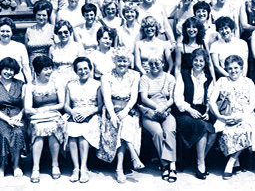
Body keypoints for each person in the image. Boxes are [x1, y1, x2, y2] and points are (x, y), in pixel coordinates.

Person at [209, 55, 255, 180]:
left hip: (245, 116)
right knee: (225, 132)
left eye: (236, 68)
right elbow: (212, 100)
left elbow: (252, 104)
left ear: (241, 68)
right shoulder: (221, 81)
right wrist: (219, 116)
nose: (233, 71)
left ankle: (231, 162)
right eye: (230, 68)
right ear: (226, 69)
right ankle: (236, 160)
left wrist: (241, 117)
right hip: (225, 116)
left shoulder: (248, 82)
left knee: (246, 131)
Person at [98, 48, 144, 184]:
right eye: (119, 60)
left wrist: (125, 111)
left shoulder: (135, 75)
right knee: (121, 124)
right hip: (111, 110)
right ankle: (133, 157)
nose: (122, 63)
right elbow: (107, 98)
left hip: (129, 110)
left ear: (129, 61)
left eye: (125, 61)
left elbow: (134, 97)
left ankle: (119, 168)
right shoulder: (106, 76)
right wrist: (112, 115)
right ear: (114, 61)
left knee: (126, 123)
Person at [174, 48, 217, 180]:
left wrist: (208, 112)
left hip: (202, 111)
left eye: (201, 61)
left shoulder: (208, 79)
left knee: (214, 132)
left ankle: (197, 159)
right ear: (192, 61)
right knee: (203, 128)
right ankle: (200, 164)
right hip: (185, 112)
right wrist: (189, 110)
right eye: (196, 60)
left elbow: (210, 99)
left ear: (205, 63)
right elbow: (178, 98)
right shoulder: (184, 75)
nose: (198, 63)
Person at [24, 56, 67, 183]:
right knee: (39, 129)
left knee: (53, 128)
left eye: (50, 68)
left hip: (54, 115)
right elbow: (27, 108)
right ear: (37, 71)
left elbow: (62, 104)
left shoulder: (56, 83)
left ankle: (55, 164)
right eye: (45, 69)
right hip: (38, 116)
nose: (49, 71)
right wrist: (39, 111)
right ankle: (35, 167)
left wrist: (48, 109)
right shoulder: (30, 86)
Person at [0, 57, 26, 179]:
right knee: (2, 133)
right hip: (0, 116)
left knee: (18, 132)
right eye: (6, 69)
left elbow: (25, 105)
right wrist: (8, 120)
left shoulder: (21, 85)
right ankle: (1, 165)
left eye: (12, 70)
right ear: (0, 69)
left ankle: (16, 165)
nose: (9, 72)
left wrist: (19, 116)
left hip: (17, 115)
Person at [139, 55, 177, 182]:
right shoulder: (145, 78)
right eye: (151, 64)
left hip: (166, 111)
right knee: (158, 133)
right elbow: (144, 98)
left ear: (163, 64)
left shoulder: (170, 78)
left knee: (170, 131)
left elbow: (172, 98)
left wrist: (164, 107)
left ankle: (171, 165)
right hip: (150, 112)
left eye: (157, 63)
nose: (154, 66)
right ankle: (167, 165)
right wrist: (158, 107)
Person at [64, 57, 102, 183]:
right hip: (75, 113)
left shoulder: (97, 84)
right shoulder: (70, 85)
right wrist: (72, 112)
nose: (83, 71)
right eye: (79, 69)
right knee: (72, 133)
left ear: (90, 69)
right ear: (75, 71)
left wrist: (87, 113)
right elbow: (66, 105)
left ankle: (84, 168)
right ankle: (76, 168)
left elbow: (100, 105)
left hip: (91, 114)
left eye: (86, 68)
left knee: (83, 134)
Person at [0, 17, 31, 87]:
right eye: (2, 31)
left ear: (12, 32)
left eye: (8, 31)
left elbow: (26, 69)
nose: (5, 34)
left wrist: (30, 84)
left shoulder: (20, 47)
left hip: (17, 82)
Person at [49, 20, 84, 88]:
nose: (63, 35)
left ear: (70, 32)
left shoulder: (78, 47)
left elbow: (82, 65)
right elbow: (51, 67)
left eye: (65, 32)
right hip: (56, 79)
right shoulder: (53, 48)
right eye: (60, 33)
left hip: (73, 79)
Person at [25, 0, 55, 72]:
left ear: (48, 16)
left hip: (48, 66)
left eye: (44, 15)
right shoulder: (29, 30)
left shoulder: (53, 29)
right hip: (32, 66)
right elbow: (26, 51)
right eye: (39, 15)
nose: (41, 17)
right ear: (35, 15)